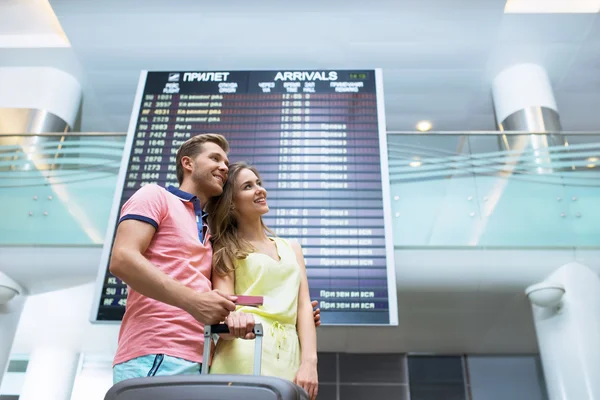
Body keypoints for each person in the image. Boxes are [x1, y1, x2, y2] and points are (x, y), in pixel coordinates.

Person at [109, 134, 320, 384]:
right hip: (157, 350)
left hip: (205, 358)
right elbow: (122, 259)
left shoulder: (211, 234)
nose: (223, 166)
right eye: (215, 158)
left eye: (225, 161)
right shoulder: (155, 196)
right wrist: (193, 301)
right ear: (188, 163)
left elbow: (224, 297)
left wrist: (290, 311)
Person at [205, 162, 319, 400]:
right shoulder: (225, 248)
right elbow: (224, 309)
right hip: (244, 351)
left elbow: (303, 307)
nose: (260, 190)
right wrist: (232, 318)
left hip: (290, 354)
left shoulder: (292, 248)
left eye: (258, 183)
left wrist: (309, 362)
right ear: (232, 203)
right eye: (248, 186)